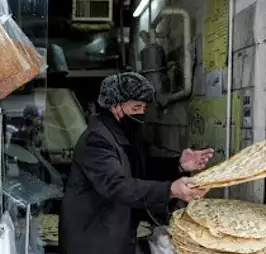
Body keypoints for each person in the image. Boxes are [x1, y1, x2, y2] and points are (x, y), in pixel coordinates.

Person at [59, 72, 213, 254]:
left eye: (144, 108)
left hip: (116, 234)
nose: (141, 113)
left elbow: (141, 171)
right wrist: (170, 190)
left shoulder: (126, 134)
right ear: (115, 106)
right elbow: (117, 185)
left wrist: (179, 165)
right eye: (136, 107)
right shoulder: (97, 140)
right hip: (93, 240)